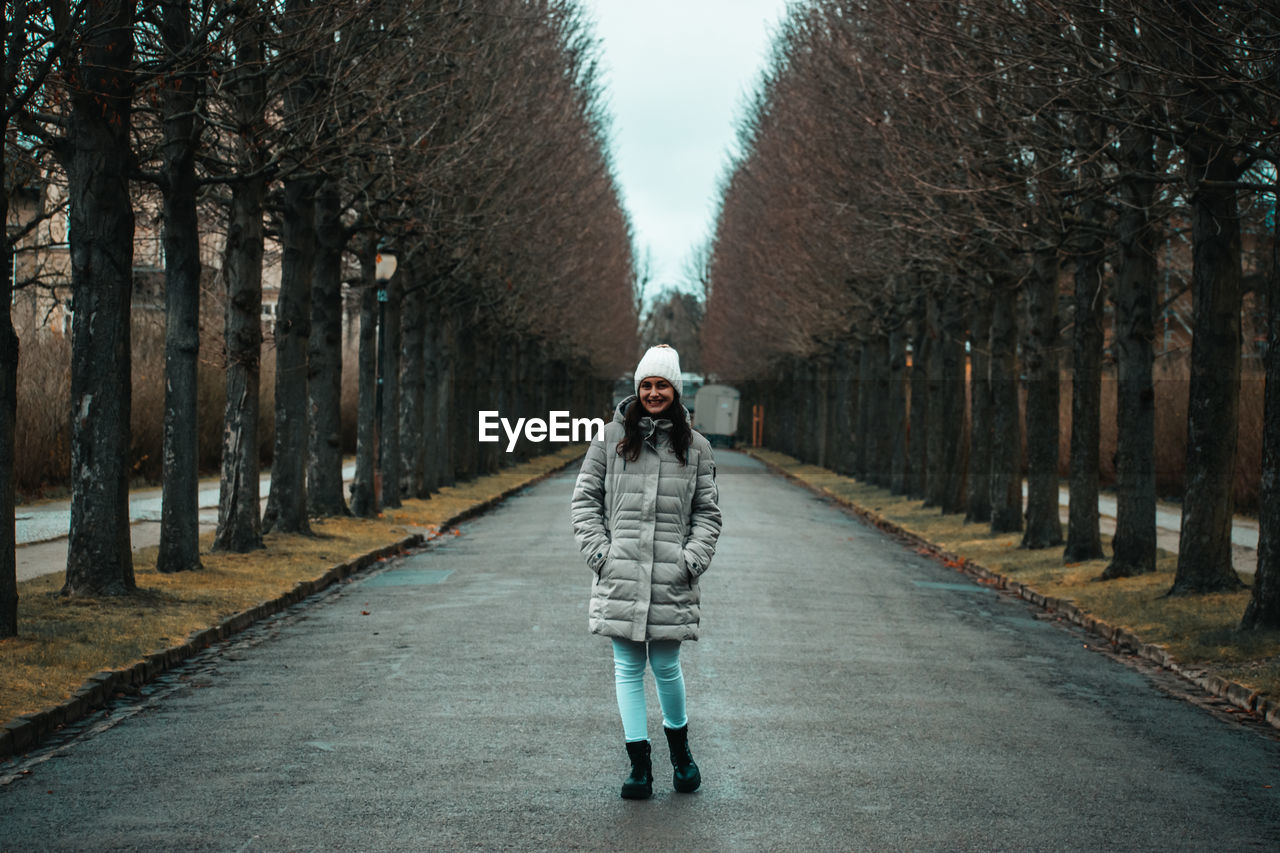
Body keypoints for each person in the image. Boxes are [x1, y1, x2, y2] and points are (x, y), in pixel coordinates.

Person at [570, 344, 723, 800]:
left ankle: (681, 756)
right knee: (627, 669)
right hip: (620, 573)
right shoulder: (609, 440)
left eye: (662, 385)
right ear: (637, 389)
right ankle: (640, 767)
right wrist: (601, 554)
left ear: (675, 392)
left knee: (666, 666)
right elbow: (584, 502)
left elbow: (708, 514)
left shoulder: (695, 448)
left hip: (672, 577)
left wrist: (690, 560)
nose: (654, 392)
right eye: (647, 385)